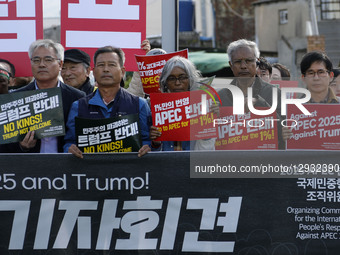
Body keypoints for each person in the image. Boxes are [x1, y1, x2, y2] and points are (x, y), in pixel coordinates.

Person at [63, 46, 151, 158]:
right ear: (93, 72)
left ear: (123, 72)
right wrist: (69, 149)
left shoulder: (140, 104)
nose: (106, 69)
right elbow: (69, 142)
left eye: (111, 65)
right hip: (90, 173)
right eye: (101, 65)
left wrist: (148, 148)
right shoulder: (78, 106)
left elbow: (148, 141)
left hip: (129, 173)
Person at [4, 39, 86, 153]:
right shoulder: (16, 98)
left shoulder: (77, 97)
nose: (42, 64)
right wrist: (21, 146)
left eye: (48, 60)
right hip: (29, 167)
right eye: (36, 60)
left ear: (60, 64)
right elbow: (5, 145)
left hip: (65, 166)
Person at [218, 39, 284, 149]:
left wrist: (260, 103)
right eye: (238, 62)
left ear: (257, 63)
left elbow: (284, 131)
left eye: (248, 61)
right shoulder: (220, 97)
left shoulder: (274, 93)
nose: (243, 66)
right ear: (231, 65)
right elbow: (209, 136)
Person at [149, 56, 216, 151]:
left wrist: (208, 125)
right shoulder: (156, 110)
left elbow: (205, 155)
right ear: (165, 82)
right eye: (172, 78)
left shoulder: (202, 107)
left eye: (182, 77)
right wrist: (156, 143)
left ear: (190, 80)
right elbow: (154, 158)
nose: (177, 83)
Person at [282, 51, 338, 140]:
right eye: (311, 73)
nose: (316, 78)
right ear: (303, 78)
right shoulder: (291, 110)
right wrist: (284, 137)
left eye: (321, 72)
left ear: (331, 76)